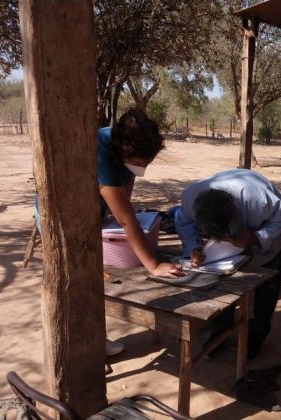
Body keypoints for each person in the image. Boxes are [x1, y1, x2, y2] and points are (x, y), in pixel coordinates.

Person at [174, 168, 281, 359]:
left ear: (236, 211)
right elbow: (183, 223)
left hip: (267, 242)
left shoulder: (259, 199)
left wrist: (255, 237)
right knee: (223, 287)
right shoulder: (190, 199)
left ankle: (255, 339)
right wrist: (194, 247)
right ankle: (220, 331)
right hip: (227, 255)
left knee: (266, 291)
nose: (226, 238)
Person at [98, 108, 182, 355]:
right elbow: (126, 221)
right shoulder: (101, 151)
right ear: (123, 151)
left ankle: (97, 340)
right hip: (65, 218)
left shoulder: (125, 149)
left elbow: (125, 194)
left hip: (94, 211)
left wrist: (122, 217)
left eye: (148, 162)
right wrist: (153, 265)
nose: (143, 167)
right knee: (80, 281)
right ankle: (90, 345)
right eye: (139, 163)